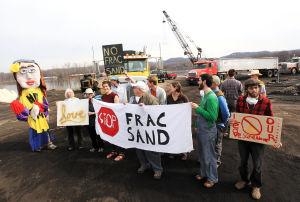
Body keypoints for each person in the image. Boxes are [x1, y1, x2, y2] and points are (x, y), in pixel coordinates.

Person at [231, 78, 281, 200]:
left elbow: (271, 120)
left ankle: (256, 185)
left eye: (256, 87)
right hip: (243, 138)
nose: (254, 90)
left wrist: (275, 139)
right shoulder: (241, 100)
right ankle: (244, 180)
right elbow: (237, 116)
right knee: (243, 162)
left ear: (259, 88)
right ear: (246, 89)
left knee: (257, 164)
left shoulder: (265, 102)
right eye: (251, 88)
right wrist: (232, 122)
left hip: (258, 140)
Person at [9, 59, 57, 152]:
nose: (29, 76)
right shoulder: (23, 94)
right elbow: (23, 108)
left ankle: (48, 143)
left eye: (32, 71)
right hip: (33, 117)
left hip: (42, 116)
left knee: (45, 130)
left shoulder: (39, 91)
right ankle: (37, 146)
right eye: (23, 72)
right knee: (35, 132)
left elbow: (44, 103)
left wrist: (46, 112)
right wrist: (30, 111)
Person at [191, 74, 219, 188]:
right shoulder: (205, 95)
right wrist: (197, 125)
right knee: (202, 154)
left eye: (199, 80)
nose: (198, 82)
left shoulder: (211, 97)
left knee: (210, 155)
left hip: (208, 131)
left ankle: (212, 178)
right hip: (202, 130)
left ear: (204, 82)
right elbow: (202, 114)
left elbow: (213, 117)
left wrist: (197, 108)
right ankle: (204, 173)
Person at [132, 81, 163, 180]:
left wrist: (145, 109)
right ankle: (144, 164)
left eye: (135, 88)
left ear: (140, 89)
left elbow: (157, 113)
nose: (133, 89)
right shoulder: (138, 99)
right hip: (140, 129)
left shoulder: (151, 99)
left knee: (152, 151)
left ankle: (157, 169)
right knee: (139, 149)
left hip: (150, 131)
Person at [101, 81, 125, 161]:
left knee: (117, 135)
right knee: (110, 135)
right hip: (107, 119)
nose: (105, 88)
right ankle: (114, 151)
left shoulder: (114, 95)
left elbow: (117, 108)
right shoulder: (103, 96)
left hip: (114, 119)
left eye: (106, 86)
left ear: (110, 86)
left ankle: (121, 153)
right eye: (104, 86)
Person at [167, 81, 189, 160]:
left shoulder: (183, 97)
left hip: (181, 122)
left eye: (171, 87)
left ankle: (184, 152)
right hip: (171, 121)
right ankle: (172, 151)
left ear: (176, 88)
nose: (169, 88)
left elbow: (188, 109)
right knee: (172, 136)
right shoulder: (168, 97)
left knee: (182, 137)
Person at [211, 76, 230, 167]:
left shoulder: (219, 96)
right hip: (214, 123)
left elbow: (226, 113)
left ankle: (217, 161)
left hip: (217, 124)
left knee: (217, 143)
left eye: (210, 81)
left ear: (215, 84)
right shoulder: (213, 93)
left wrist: (223, 123)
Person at [85, 88, 105, 153]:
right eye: (88, 94)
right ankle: (94, 147)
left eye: (90, 93)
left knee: (98, 135)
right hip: (88, 121)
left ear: (93, 94)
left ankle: (101, 147)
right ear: (86, 95)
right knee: (91, 135)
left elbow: (100, 110)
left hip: (96, 120)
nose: (89, 95)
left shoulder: (97, 101)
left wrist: (92, 113)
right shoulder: (84, 102)